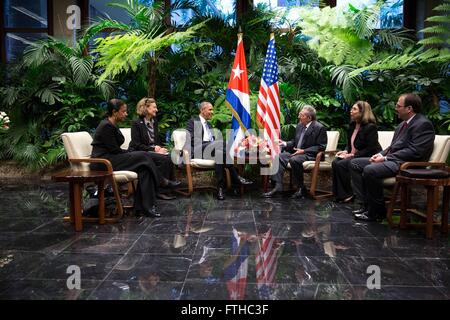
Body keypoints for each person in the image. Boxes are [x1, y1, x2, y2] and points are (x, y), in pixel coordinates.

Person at [350, 93, 435, 221]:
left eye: (398, 105)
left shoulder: (423, 124)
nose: (395, 108)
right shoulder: (402, 124)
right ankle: (366, 205)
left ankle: (377, 212)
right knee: (355, 163)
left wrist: (385, 158)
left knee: (370, 170)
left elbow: (415, 151)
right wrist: (380, 154)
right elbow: (393, 146)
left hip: (408, 164)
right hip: (394, 160)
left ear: (409, 109)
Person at [91, 99, 178, 218]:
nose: (126, 114)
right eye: (123, 111)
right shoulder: (106, 125)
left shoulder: (112, 124)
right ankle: (161, 181)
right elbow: (114, 150)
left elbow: (116, 150)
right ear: (114, 112)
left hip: (113, 158)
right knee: (143, 155)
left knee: (145, 169)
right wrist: (131, 153)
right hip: (103, 162)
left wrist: (130, 153)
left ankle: (145, 208)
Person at [186, 101, 253, 200]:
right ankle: (236, 176)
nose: (212, 112)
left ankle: (220, 188)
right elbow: (191, 140)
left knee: (220, 153)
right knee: (222, 143)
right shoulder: (192, 122)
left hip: (212, 151)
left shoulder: (209, 125)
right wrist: (210, 144)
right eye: (210, 109)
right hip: (198, 150)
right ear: (202, 110)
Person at [262, 105, 327, 199]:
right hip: (296, 153)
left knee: (294, 160)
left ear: (309, 118)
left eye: (301, 115)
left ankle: (301, 188)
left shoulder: (319, 128)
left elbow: (321, 146)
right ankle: (278, 186)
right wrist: (284, 143)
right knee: (279, 156)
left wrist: (304, 150)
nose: (298, 117)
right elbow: (294, 142)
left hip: (310, 155)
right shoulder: (300, 126)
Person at [129, 97, 180, 200]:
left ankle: (168, 188)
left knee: (169, 156)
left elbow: (156, 141)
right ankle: (160, 191)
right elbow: (136, 144)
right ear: (146, 108)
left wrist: (160, 148)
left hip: (152, 151)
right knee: (164, 159)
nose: (156, 110)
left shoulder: (154, 121)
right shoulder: (136, 123)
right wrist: (154, 149)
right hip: (140, 152)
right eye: (154, 107)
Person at [332, 101, 381, 203]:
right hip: (353, 155)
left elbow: (371, 148)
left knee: (342, 164)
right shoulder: (352, 125)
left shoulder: (370, 127)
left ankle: (349, 194)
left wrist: (353, 155)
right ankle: (341, 194)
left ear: (362, 112)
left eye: (354, 109)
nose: (351, 111)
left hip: (367, 156)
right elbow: (350, 144)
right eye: (351, 108)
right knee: (335, 162)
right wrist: (345, 151)